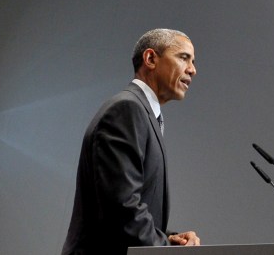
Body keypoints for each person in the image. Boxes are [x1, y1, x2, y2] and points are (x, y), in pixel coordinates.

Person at [62, 28, 201, 253]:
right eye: (183, 58)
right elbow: (121, 208)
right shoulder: (127, 109)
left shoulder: (144, 114)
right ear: (150, 59)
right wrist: (167, 249)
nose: (193, 70)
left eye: (193, 61)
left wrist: (169, 239)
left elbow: (123, 212)